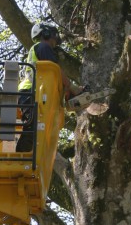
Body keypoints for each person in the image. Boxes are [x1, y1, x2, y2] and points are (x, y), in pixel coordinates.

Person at [15, 23, 85, 152]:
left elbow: (53, 77)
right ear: (45, 34)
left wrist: (65, 91)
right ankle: (23, 151)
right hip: (31, 91)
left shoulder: (41, 49)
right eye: (53, 35)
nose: (55, 38)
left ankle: (26, 150)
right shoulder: (43, 47)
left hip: (36, 91)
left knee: (39, 125)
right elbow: (56, 70)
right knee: (32, 124)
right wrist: (71, 86)